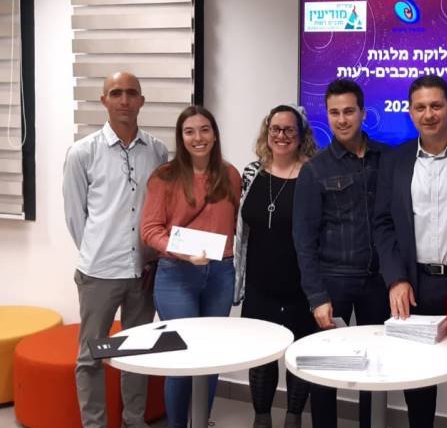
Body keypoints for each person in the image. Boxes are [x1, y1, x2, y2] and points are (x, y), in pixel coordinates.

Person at [63, 72, 168, 428]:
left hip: (144, 271)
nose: (124, 100)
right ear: (104, 100)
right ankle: (94, 424)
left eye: (131, 93)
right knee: (91, 357)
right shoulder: (82, 152)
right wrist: (99, 250)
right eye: (116, 93)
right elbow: (75, 216)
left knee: (136, 352)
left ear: (142, 101)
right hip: (99, 273)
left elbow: (159, 210)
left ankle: (133, 421)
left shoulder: (157, 151)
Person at [293, 79, 390, 428]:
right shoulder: (315, 169)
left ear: (363, 112)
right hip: (333, 282)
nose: (342, 119)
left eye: (349, 111)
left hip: (378, 282)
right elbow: (303, 239)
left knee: (375, 369)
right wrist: (316, 297)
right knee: (326, 371)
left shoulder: (387, 159)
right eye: (334, 113)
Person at [140, 105, 241, 428]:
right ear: (181, 137)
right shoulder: (164, 177)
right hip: (176, 276)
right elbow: (150, 230)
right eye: (189, 131)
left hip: (220, 275)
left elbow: (236, 226)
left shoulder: (230, 175)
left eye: (205, 130)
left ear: (215, 135)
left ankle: (200, 420)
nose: (198, 137)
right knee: (182, 358)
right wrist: (185, 253)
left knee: (210, 358)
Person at [374, 74, 447, 428]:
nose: (429, 114)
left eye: (436, 106)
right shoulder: (396, 159)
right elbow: (383, 224)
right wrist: (395, 279)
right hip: (414, 285)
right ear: (409, 112)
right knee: (418, 384)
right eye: (420, 107)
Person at [234, 104, 318, 428]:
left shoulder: (313, 175)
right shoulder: (251, 173)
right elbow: (240, 227)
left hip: (300, 286)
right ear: (267, 132)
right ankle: (262, 419)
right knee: (261, 357)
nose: (281, 135)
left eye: (289, 130)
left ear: (301, 135)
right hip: (259, 284)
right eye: (275, 129)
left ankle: (293, 418)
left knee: (299, 357)